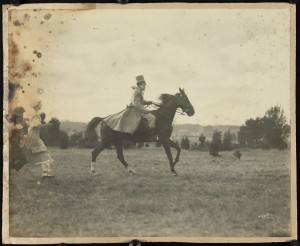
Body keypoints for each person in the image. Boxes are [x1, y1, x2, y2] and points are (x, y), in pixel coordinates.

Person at [20, 100, 55, 180]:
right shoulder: (36, 114)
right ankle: (45, 173)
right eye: (40, 104)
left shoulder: (31, 113)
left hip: (32, 135)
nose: (41, 105)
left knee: (35, 153)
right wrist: (47, 125)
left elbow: (29, 124)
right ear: (37, 105)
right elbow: (36, 126)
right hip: (34, 136)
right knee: (44, 153)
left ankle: (45, 173)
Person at [130, 75, 157, 141]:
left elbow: (141, 101)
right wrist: (145, 110)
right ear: (140, 84)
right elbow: (136, 103)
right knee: (152, 118)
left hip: (137, 109)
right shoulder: (137, 91)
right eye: (144, 84)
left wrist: (149, 102)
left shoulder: (138, 91)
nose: (145, 85)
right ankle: (151, 136)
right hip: (137, 111)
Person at [8, 106, 28, 172]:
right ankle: (13, 170)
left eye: (22, 113)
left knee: (12, 161)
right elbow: (13, 129)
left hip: (15, 144)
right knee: (23, 159)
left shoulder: (21, 122)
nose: (22, 115)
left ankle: (12, 170)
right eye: (20, 113)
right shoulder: (12, 123)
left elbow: (24, 132)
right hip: (12, 145)